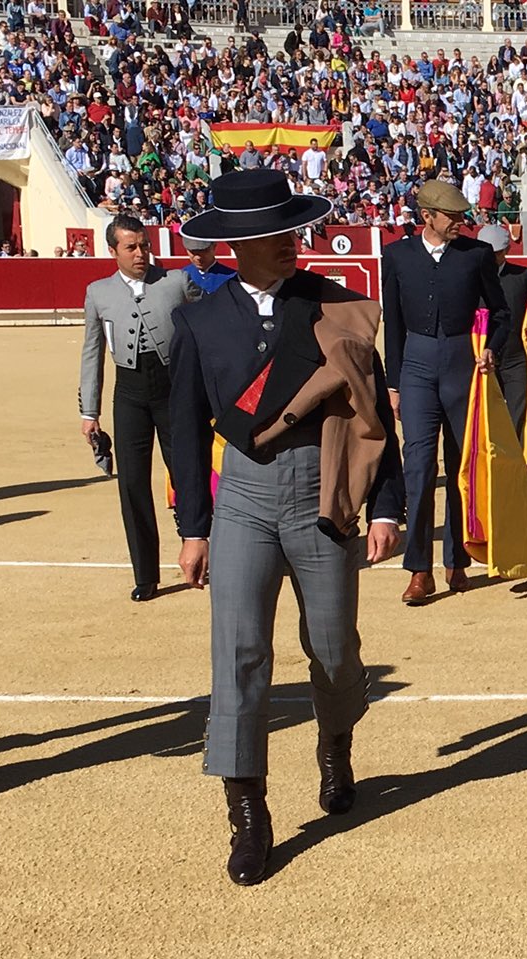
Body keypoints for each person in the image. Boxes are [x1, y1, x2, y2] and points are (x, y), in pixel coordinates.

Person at [168, 170, 405, 886]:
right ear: (237, 244)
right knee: (238, 654)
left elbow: (374, 415)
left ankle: (335, 743)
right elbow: (182, 431)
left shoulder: (334, 306)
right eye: (272, 234)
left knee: (335, 650)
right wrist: (193, 526)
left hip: (323, 492)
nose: (288, 243)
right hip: (241, 500)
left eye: (289, 229)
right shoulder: (199, 320)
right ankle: (248, 814)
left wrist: (387, 504)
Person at [380, 180, 509, 607]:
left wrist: (490, 345)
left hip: (462, 365)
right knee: (417, 467)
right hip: (416, 365)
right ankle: (419, 569)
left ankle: (457, 560)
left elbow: (501, 313)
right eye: (452, 216)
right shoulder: (397, 256)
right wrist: (393, 383)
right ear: (428, 217)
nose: (461, 222)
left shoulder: (476, 256)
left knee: (461, 467)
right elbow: (394, 325)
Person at [79, 214, 189, 602]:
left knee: (187, 473)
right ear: (113, 251)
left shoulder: (176, 281)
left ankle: (202, 551)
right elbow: (92, 353)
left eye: (144, 245)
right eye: (131, 247)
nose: (141, 253)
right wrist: (88, 412)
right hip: (128, 393)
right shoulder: (98, 292)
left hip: (173, 388)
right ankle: (146, 574)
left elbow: (206, 329)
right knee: (132, 483)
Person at [479, 223, 527, 438]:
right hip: (480, 360)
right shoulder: (468, 279)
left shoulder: (524, 277)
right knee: (484, 418)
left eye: (495, 253)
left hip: (515, 356)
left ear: (506, 251)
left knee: (519, 415)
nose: (490, 258)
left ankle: (516, 465)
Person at [179, 233, 235, 297]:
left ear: (214, 247)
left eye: (204, 251)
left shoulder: (232, 278)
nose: (198, 257)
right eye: (193, 252)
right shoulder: (182, 278)